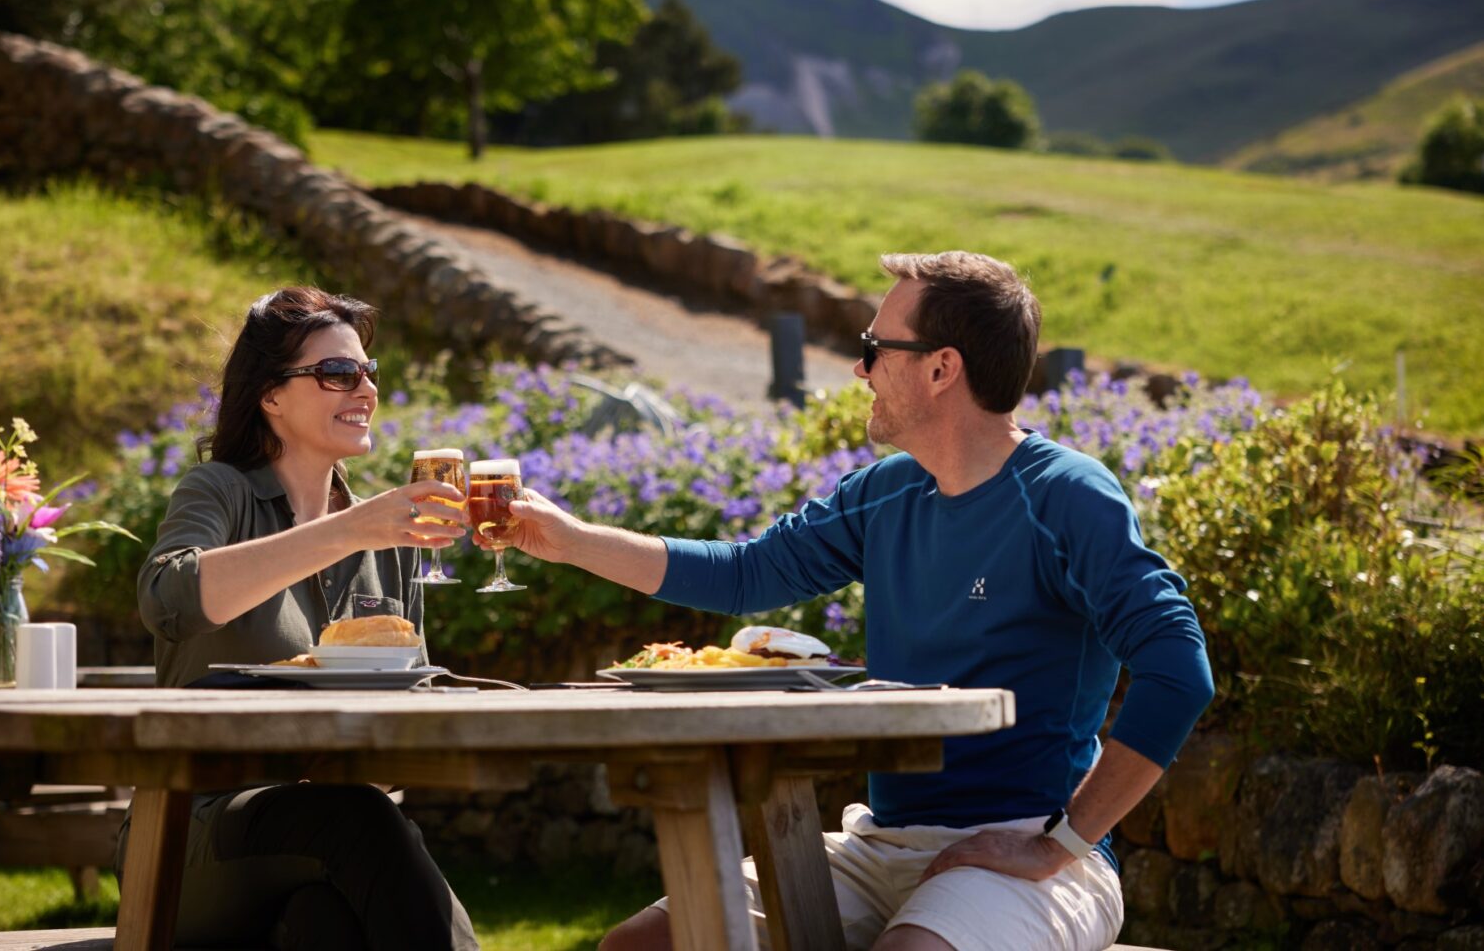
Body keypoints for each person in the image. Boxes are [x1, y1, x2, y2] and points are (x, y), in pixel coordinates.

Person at [492, 252, 1216, 951]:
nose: (858, 367)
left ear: (941, 368)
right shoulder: (885, 492)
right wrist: (572, 540)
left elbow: (1178, 672)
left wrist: (1061, 843)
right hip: (878, 845)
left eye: (874, 348)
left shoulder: (1066, 496)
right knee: (641, 946)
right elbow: (746, 575)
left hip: (1027, 846)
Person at [132, 286, 480, 950]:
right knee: (357, 821)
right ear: (269, 395)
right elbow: (167, 600)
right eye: (337, 374)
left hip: (328, 835)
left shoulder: (388, 538)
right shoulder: (221, 491)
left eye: (367, 373)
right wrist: (347, 531)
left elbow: (412, 724)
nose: (364, 389)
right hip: (189, 835)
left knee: (327, 925)